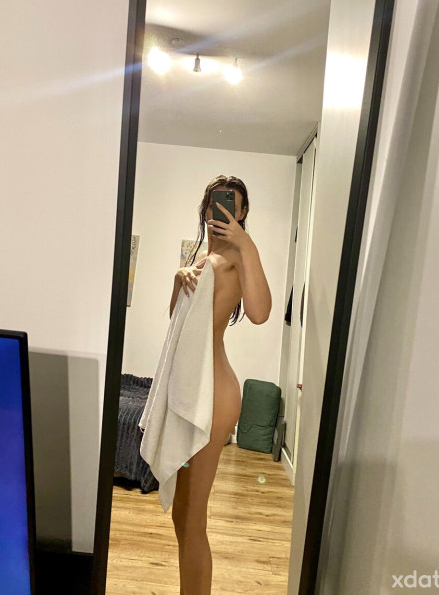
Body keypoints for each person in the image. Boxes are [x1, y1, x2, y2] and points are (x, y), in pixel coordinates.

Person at [169, 175, 272, 594]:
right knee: (181, 513)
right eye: (215, 202)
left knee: (193, 516)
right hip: (193, 388)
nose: (222, 209)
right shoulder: (202, 256)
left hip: (214, 394)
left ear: (242, 212)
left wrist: (247, 245)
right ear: (206, 208)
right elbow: (176, 322)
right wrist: (179, 278)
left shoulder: (236, 257)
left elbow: (261, 313)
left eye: (231, 203)